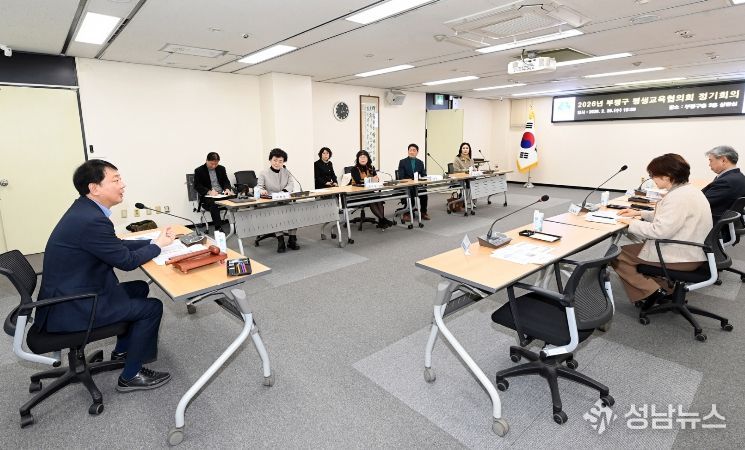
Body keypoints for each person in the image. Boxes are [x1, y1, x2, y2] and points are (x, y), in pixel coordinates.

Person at [36, 159, 175, 392]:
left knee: (139, 287)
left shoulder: (85, 210)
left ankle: (122, 351)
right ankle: (131, 375)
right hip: (73, 306)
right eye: (116, 180)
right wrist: (158, 247)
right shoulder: (91, 220)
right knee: (152, 307)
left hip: (70, 292)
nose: (123, 185)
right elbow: (126, 262)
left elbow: (115, 245)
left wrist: (152, 241)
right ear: (95, 188)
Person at [612, 154, 713, 309]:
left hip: (682, 256)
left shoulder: (678, 198)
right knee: (632, 251)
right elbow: (671, 217)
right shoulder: (689, 191)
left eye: (653, 175)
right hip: (693, 250)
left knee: (617, 255)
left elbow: (659, 231)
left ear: (667, 176)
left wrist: (631, 223)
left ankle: (653, 292)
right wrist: (639, 213)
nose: (652, 179)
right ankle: (666, 289)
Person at [257, 148, 300, 252]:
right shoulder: (263, 173)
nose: (277, 163)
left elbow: (291, 184)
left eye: (280, 161)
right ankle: (280, 240)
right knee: (276, 215)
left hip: (285, 199)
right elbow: (259, 187)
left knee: (294, 212)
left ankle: (292, 239)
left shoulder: (287, 172)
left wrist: (284, 191)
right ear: (270, 160)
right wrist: (262, 191)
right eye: (275, 160)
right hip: (272, 202)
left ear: (283, 162)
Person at [350, 150, 395, 228]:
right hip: (357, 193)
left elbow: (376, 178)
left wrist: (376, 179)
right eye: (361, 157)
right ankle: (383, 220)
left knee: (378, 198)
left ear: (368, 158)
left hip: (369, 191)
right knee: (372, 200)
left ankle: (381, 221)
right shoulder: (354, 169)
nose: (363, 159)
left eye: (364, 157)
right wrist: (371, 179)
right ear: (358, 159)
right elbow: (358, 181)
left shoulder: (371, 167)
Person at [702, 145, 745, 224]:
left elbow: (701, 202)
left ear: (723, 160)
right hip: (729, 224)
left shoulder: (726, 182)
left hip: (713, 223)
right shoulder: (739, 177)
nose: (709, 164)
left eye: (711, 160)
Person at [193, 152, 233, 232]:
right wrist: (209, 191)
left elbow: (226, 181)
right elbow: (197, 186)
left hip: (221, 195)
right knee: (213, 204)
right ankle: (218, 228)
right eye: (212, 164)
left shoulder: (221, 168)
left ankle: (236, 225)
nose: (214, 166)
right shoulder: (199, 170)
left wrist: (227, 189)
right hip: (208, 197)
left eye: (216, 164)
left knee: (234, 199)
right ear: (206, 160)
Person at [397, 143, 430, 221]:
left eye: (414, 150)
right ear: (408, 151)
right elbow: (401, 177)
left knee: (424, 192)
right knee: (410, 192)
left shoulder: (420, 162)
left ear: (417, 152)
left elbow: (423, 175)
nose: (412, 152)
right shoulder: (402, 162)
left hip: (417, 185)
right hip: (407, 186)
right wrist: (410, 182)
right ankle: (407, 213)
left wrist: (425, 179)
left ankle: (423, 212)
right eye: (410, 150)